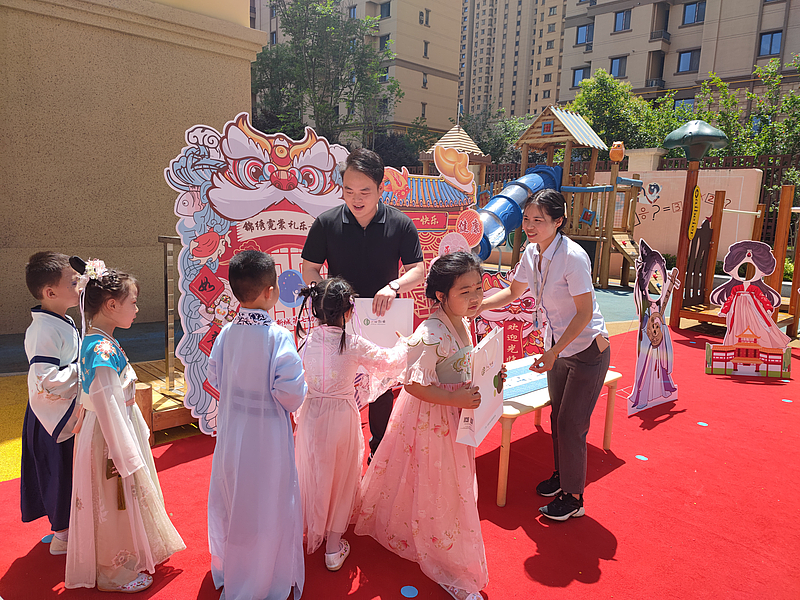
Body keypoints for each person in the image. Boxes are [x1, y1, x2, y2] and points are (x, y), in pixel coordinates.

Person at [355, 251, 488, 600]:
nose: (475, 297)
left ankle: (419, 533)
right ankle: (449, 564)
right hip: (432, 419)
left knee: (431, 478)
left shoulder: (462, 320)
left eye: (478, 288)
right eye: (465, 291)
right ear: (441, 295)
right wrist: (456, 399)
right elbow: (413, 384)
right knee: (440, 483)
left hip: (451, 414)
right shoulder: (429, 332)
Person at [480, 189, 610, 521]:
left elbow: (584, 314)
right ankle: (562, 476)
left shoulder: (572, 257)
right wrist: (477, 306)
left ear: (558, 221)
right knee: (557, 418)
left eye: (539, 220)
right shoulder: (531, 252)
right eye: (526, 219)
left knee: (571, 423)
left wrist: (553, 352)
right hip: (558, 347)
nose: (530, 226)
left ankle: (574, 497)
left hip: (587, 350)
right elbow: (513, 292)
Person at [66, 259, 185, 592]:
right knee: (113, 501)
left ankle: (120, 561)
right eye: (132, 302)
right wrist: (126, 455)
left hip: (109, 428)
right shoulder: (102, 349)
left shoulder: (99, 341)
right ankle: (112, 572)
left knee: (111, 501)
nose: (136, 308)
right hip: (109, 435)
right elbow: (107, 405)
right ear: (111, 304)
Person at [301, 148, 425, 458]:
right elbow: (310, 268)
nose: (356, 198)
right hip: (339, 320)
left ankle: (378, 449)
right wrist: (324, 293)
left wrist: (394, 286)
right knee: (338, 383)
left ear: (381, 189)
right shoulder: (326, 223)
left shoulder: (400, 224)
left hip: (383, 316)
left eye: (365, 191)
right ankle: (338, 450)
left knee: (381, 386)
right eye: (349, 190)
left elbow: (418, 270)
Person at [207, 250, 307, 600]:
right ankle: (265, 575)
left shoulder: (226, 333)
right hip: (267, 438)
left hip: (233, 432)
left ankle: (235, 567)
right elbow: (291, 393)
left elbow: (215, 376)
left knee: (235, 499)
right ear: (270, 291)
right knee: (268, 502)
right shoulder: (277, 336)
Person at [294, 277, 407, 572]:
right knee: (342, 477)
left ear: (315, 310)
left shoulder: (305, 341)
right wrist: (405, 343)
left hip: (311, 414)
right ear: (348, 311)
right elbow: (391, 362)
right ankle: (333, 547)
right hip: (341, 417)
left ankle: (312, 527)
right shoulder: (353, 343)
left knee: (314, 472)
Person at [21, 252, 82, 556]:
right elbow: (45, 378)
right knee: (57, 472)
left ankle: (65, 528)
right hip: (50, 417)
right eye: (73, 282)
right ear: (50, 292)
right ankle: (63, 535)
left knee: (63, 470)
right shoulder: (43, 329)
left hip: (59, 410)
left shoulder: (61, 320)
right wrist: (84, 368)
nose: (79, 285)